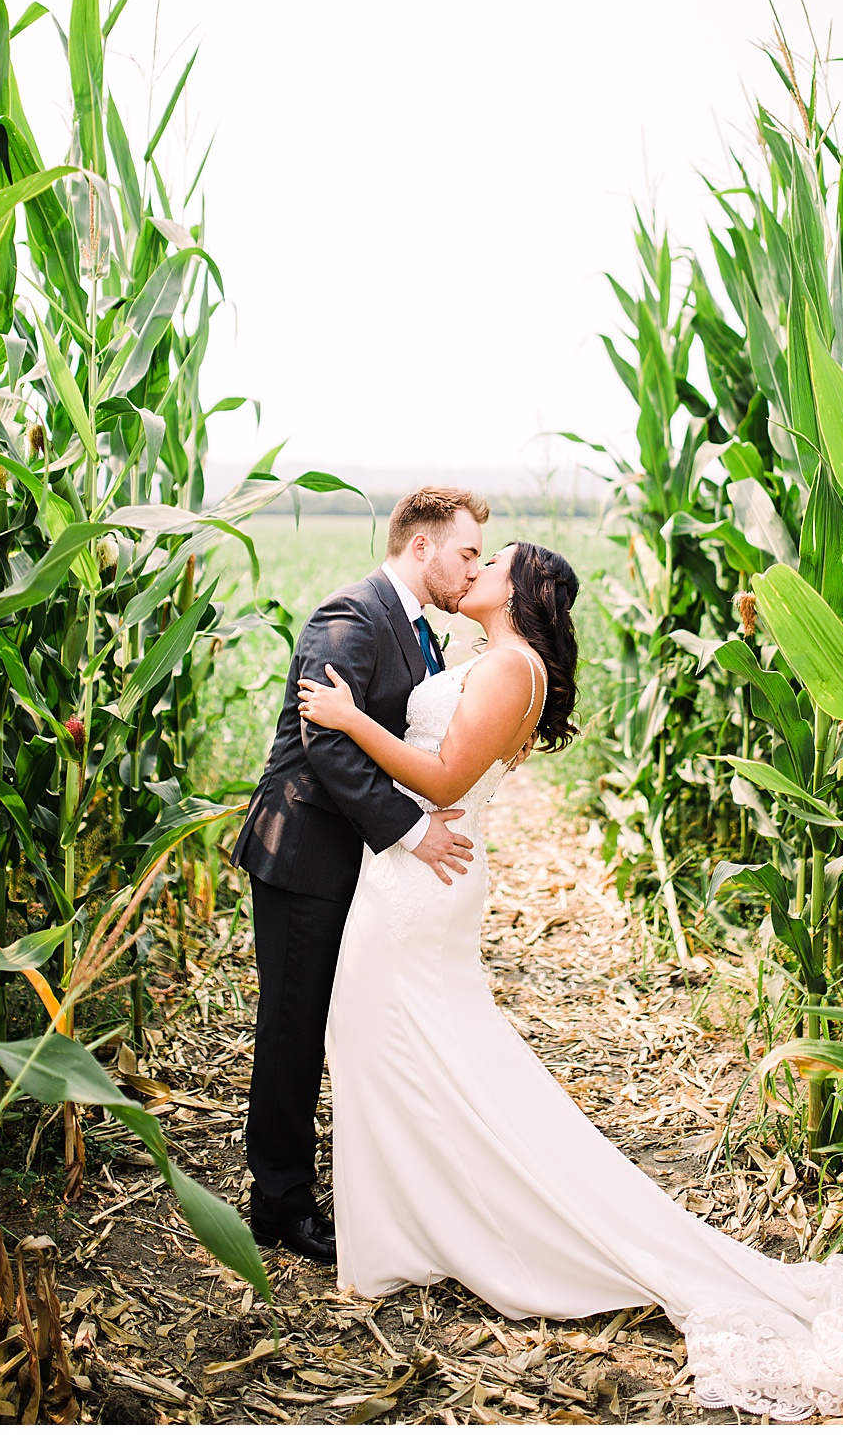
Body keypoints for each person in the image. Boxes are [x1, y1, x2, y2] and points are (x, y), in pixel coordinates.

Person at [296, 539, 843, 1423]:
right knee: (410, 1050)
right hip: (422, 871)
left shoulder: (509, 669)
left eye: (494, 562)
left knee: (391, 1042)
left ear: (522, 591)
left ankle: (423, 1232)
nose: (478, 566)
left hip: (424, 873)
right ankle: (413, 1224)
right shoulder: (492, 661)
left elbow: (446, 775)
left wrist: (350, 723)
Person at [231, 486, 489, 1262]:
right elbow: (328, 745)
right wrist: (413, 829)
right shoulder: (351, 615)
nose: (473, 569)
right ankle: (278, 1198)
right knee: (293, 1026)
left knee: (344, 1021)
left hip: (358, 861)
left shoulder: (419, 629)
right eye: (467, 552)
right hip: (305, 853)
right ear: (422, 546)